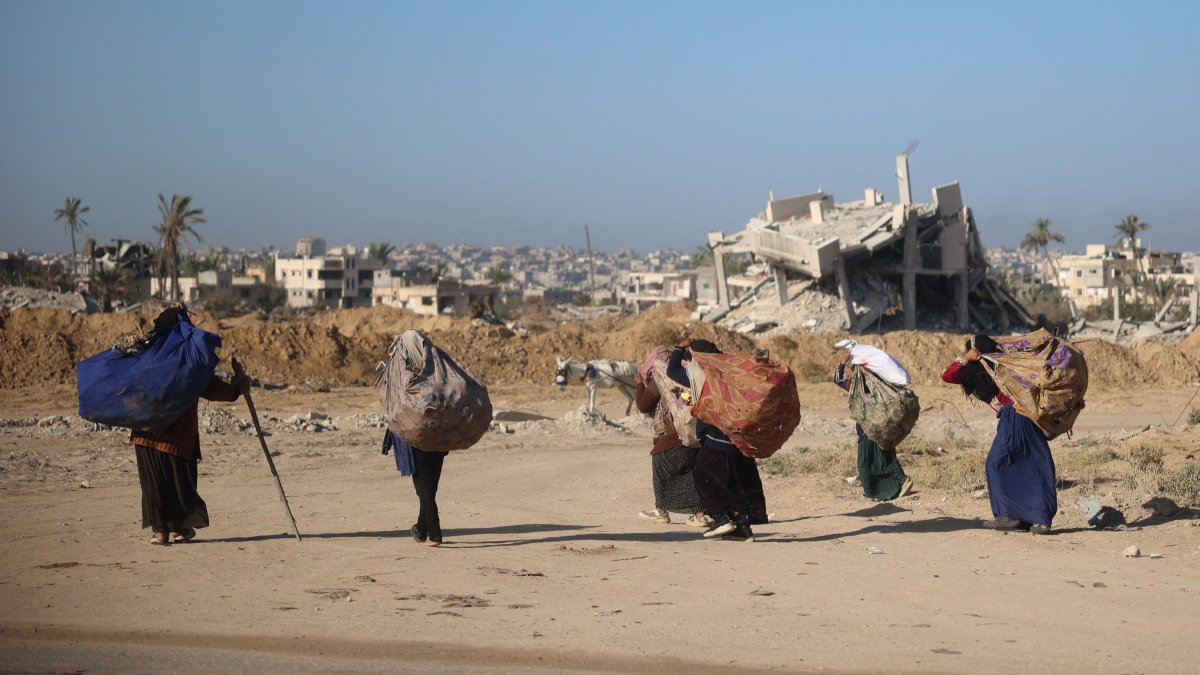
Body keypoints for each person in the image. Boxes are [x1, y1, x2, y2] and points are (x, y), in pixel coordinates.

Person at [128, 306, 246, 546]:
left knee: (154, 485)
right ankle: (181, 528)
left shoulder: (146, 355)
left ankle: (160, 533)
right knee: (180, 484)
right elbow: (211, 387)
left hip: (145, 432)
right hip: (177, 437)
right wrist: (237, 390)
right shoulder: (189, 359)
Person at [941, 335, 1057, 535]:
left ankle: (1006, 515)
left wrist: (966, 359)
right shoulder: (1007, 366)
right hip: (1030, 414)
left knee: (996, 463)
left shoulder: (976, 370)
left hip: (1013, 416)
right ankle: (1039, 520)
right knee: (1035, 464)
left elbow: (948, 376)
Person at [666, 338, 767, 541]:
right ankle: (743, 528)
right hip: (739, 437)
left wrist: (679, 348)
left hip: (716, 437)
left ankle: (721, 518)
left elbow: (672, 370)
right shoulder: (732, 370)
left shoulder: (702, 373)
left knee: (703, 476)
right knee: (734, 482)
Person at [634, 345, 709, 528]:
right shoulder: (686, 373)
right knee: (689, 474)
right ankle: (699, 515)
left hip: (672, 436)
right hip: (694, 435)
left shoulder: (662, 376)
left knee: (660, 460)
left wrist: (638, 385)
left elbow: (644, 406)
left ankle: (661, 511)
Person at [832, 339, 915, 501]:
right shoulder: (884, 386)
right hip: (884, 427)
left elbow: (838, 379)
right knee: (886, 456)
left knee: (864, 462)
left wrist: (842, 363)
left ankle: (871, 492)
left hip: (867, 429)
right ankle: (901, 481)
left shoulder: (857, 386)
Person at [384, 430, 447, 547]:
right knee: (429, 489)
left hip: (418, 441)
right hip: (439, 438)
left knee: (424, 491)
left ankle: (435, 534)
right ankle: (421, 530)